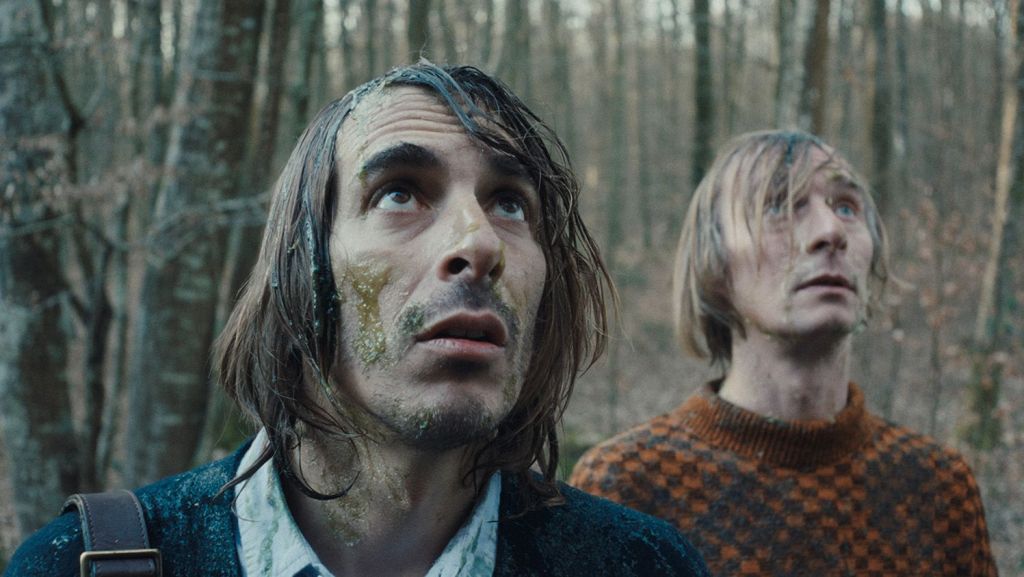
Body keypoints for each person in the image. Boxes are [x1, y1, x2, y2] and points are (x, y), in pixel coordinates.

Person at [7, 63, 709, 577]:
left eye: (509, 202)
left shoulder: (639, 564)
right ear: (300, 264)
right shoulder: (86, 563)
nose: (479, 242)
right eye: (400, 193)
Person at [570, 130, 998, 576]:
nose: (831, 232)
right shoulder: (625, 485)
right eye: (777, 206)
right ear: (714, 263)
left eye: (846, 207)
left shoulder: (939, 487)